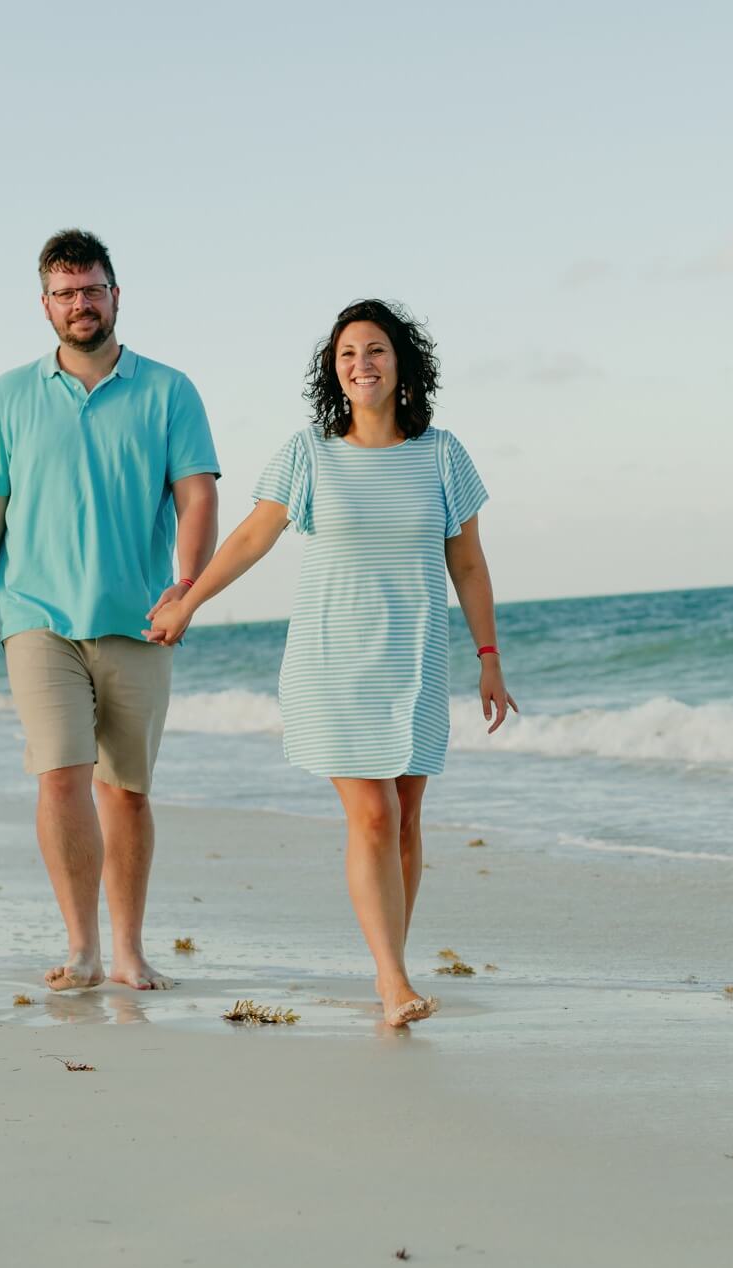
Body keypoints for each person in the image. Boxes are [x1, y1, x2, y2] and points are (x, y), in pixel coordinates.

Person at [144, 298, 515, 1027]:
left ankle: (392, 967)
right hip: (332, 659)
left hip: (414, 660)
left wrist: (489, 658)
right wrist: (187, 600)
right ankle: (392, 979)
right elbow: (253, 537)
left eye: (375, 350)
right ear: (333, 371)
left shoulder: (442, 454)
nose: (362, 365)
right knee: (373, 816)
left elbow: (467, 563)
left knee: (406, 818)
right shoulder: (309, 452)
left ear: (400, 361)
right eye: (347, 354)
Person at [0, 229, 221, 992]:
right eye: (65, 293)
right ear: (45, 306)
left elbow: (197, 493)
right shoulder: (10, 395)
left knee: (126, 790)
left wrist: (188, 586)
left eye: (92, 289)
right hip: (37, 618)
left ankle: (129, 949)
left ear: (115, 295)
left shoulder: (169, 390)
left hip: (140, 618)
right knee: (60, 778)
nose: (80, 304)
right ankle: (82, 949)